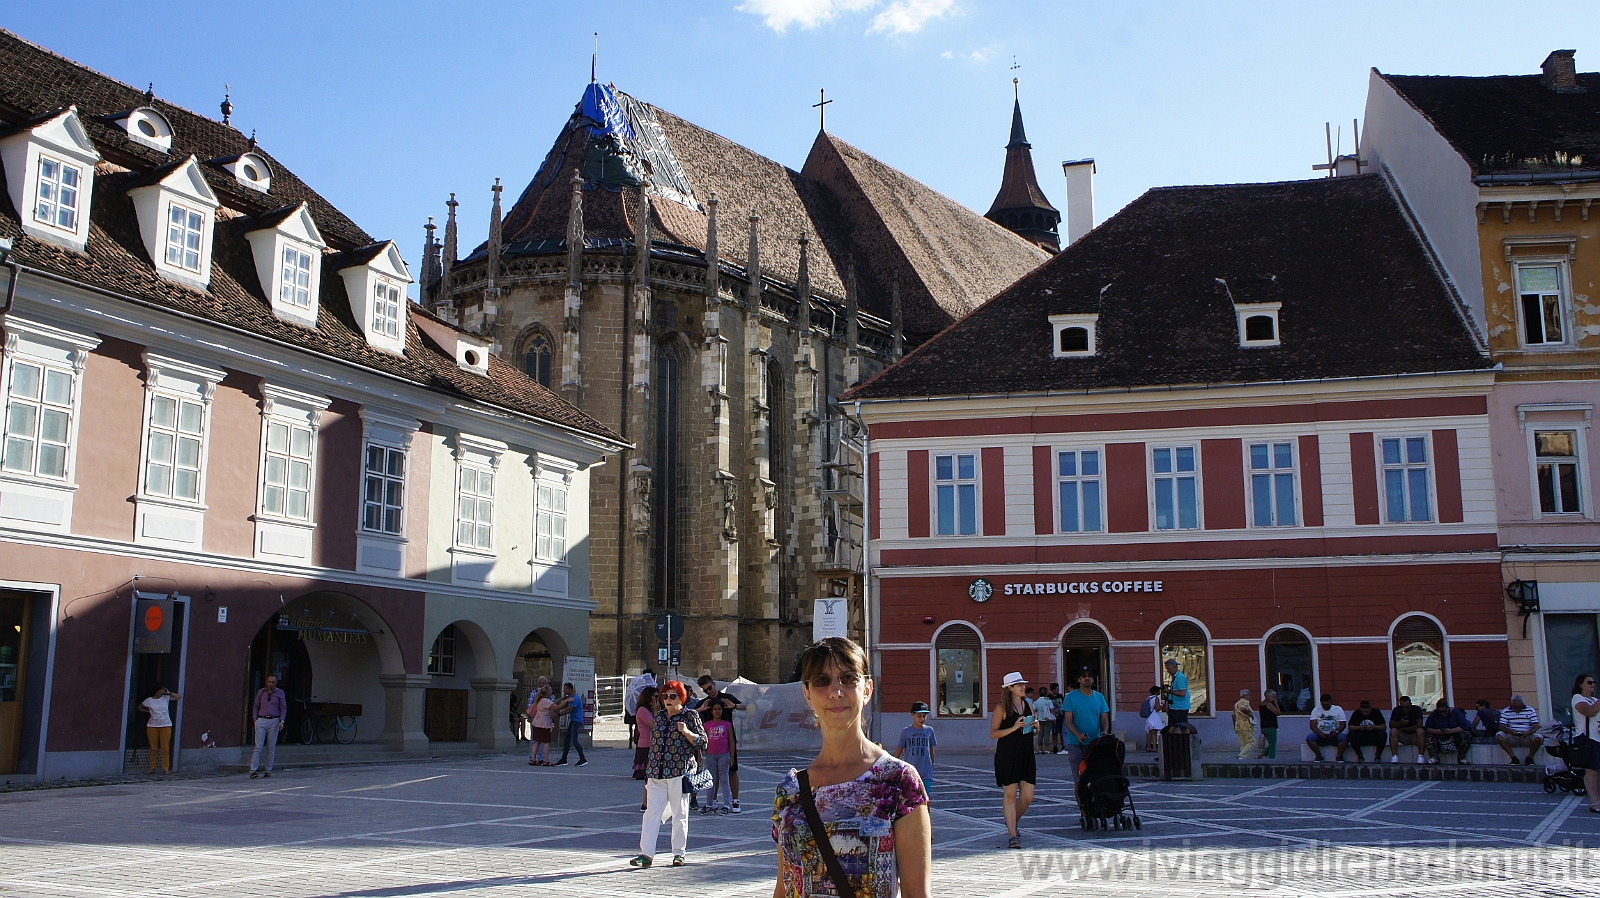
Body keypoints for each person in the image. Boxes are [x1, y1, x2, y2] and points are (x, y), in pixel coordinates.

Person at [771, 637, 930, 898]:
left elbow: (917, 894)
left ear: (867, 689)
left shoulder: (899, 781)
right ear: (807, 694)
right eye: (822, 681)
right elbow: (785, 886)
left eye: (848, 678)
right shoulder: (789, 792)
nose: (836, 691)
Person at [632, 680, 706, 868]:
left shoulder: (690, 715)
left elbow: (703, 742)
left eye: (672, 696)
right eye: (664, 696)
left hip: (679, 772)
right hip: (656, 773)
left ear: (681, 698)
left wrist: (687, 732)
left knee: (680, 814)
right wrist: (649, 770)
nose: (667, 700)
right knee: (651, 813)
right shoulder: (659, 717)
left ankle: (679, 853)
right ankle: (646, 854)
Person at [990, 671, 1036, 849]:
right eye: (1019, 685)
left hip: (1026, 754)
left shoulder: (1028, 705)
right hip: (1007, 756)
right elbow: (993, 734)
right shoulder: (1001, 708)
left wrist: (1035, 727)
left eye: (1023, 684)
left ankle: (1011, 822)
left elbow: (1030, 731)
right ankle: (1012, 835)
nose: (1023, 687)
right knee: (1010, 796)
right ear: (1010, 688)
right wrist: (1014, 727)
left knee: (1027, 797)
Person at [698, 675, 749, 814]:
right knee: (713, 774)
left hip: (727, 739)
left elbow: (744, 706)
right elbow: (690, 713)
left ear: (714, 684)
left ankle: (735, 800)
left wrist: (735, 706)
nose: (708, 692)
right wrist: (701, 710)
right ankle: (712, 801)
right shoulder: (705, 702)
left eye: (709, 688)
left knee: (732, 770)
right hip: (712, 743)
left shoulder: (727, 697)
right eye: (705, 690)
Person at [1061, 667, 1111, 785]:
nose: (1087, 678)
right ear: (1079, 679)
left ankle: (1095, 803)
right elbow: (1068, 721)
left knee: (1096, 778)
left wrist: (1104, 731)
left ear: (1093, 679)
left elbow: (1104, 718)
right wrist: (1078, 735)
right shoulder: (1070, 697)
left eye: (1089, 676)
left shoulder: (1099, 697)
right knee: (1079, 781)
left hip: (1095, 744)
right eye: (1083, 676)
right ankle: (1082, 804)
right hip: (1076, 745)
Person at [894, 702, 937, 795]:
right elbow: (900, 749)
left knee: (925, 796)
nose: (922, 719)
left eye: (924, 716)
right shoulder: (906, 731)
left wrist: (931, 765)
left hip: (926, 770)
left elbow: (931, 749)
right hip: (911, 769)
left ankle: (927, 810)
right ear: (912, 715)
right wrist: (894, 764)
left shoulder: (929, 730)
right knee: (912, 796)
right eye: (919, 716)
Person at [1571, 673, 1600, 813]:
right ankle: (1593, 802)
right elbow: (1589, 712)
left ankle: (1598, 800)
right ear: (1581, 684)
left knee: (1598, 771)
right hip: (1586, 738)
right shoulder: (1578, 698)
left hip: (1597, 737)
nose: (1593, 684)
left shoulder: (1594, 699)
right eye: (1589, 682)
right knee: (1591, 771)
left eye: (1594, 682)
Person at [137, 682, 180, 775]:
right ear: (158, 690)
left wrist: (169, 692)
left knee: (165, 748)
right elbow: (139, 707)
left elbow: (178, 697)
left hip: (165, 725)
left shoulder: (166, 698)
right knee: (153, 748)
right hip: (152, 725)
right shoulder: (149, 700)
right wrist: (148, 712)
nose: (164, 690)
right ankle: (152, 767)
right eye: (162, 689)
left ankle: (166, 768)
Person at [699, 701, 734, 815]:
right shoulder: (707, 725)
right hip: (710, 755)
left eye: (719, 709)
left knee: (724, 779)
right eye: (715, 709)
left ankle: (727, 804)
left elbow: (731, 741)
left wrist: (732, 756)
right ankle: (710, 803)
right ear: (712, 711)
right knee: (710, 780)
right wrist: (700, 754)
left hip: (724, 754)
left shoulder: (727, 724)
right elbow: (702, 740)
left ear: (722, 711)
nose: (717, 711)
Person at [249, 674, 287, 779]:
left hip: (274, 720)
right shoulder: (261, 692)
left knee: (271, 747)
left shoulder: (280, 693)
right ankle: (253, 770)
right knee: (258, 746)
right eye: (269, 682)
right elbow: (256, 705)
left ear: (276, 683)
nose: (271, 684)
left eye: (273, 682)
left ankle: (268, 770)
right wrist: (255, 719)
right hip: (261, 719)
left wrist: (281, 721)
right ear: (266, 682)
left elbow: (283, 708)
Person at [1495, 695, 1542, 765]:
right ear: (1512, 704)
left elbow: (1536, 726)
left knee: (1539, 737)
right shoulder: (1506, 711)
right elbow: (1501, 726)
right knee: (1499, 735)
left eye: (1520, 707)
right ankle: (1513, 758)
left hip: (1527, 736)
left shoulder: (1530, 710)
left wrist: (1527, 733)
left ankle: (1529, 757)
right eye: (1515, 707)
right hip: (1512, 736)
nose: (1517, 709)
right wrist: (1510, 731)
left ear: (1523, 705)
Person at [1423, 699, 1472, 764]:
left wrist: (1450, 731)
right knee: (1429, 736)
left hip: (1453, 736)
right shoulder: (1434, 714)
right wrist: (1437, 731)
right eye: (1440, 712)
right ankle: (1434, 757)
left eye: (1444, 711)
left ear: (1448, 708)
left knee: (1466, 735)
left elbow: (1465, 726)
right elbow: (1427, 728)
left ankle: (1461, 758)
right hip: (1439, 736)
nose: (1442, 713)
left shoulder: (1455, 713)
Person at [554, 682, 589, 767]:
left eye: (565, 689)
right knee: (567, 740)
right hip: (573, 720)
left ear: (570, 689)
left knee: (574, 740)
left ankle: (582, 758)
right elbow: (564, 706)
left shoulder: (575, 698)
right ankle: (564, 759)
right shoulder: (570, 698)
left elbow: (569, 709)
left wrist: (559, 714)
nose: (564, 690)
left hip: (576, 721)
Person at [1305, 694, 1348, 761]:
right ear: (1321, 702)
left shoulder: (1338, 709)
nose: (1326, 706)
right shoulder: (1316, 710)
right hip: (1320, 734)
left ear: (1331, 702)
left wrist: (1336, 732)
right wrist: (1319, 732)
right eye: (1324, 705)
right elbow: (1312, 725)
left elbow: (1343, 724)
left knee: (1344, 738)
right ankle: (1318, 756)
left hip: (1335, 733)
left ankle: (1339, 755)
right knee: (1309, 738)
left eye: (1328, 705)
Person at [1387, 695, 1426, 763]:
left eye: (1407, 707)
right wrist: (1401, 723)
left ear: (1410, 704)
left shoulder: (1416, 709)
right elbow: (1391, 725)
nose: (1405, 709)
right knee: (1393, 731)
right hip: (1403, 736)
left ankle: (1421, 756)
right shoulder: (1396, 710)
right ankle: (1394, 756)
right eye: (1402, 707)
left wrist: (1406, 729)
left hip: (1415, 736)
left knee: (1420, 731)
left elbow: (1419, 724)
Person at [632, 685, 658, 781]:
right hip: (646, 743)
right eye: (655, 696)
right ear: (648, 697)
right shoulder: (643, 710)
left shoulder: (650, 709)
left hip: (653, 743)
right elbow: (654, 725)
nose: (657, 698)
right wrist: (655, 711)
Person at [527, 685, 555, 766]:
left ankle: (532, 759)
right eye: (550, 690)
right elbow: (555, 706)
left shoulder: (540, 699)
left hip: (537, 722)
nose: (551, 691)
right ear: (547, 692)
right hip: (543, 723)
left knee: (537, 741)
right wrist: (565, 702)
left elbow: (553, 703)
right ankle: (545, 760)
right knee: (546, 742)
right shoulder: (545, 700)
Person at [1162, 658, 1191, 726]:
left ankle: (1186, 737)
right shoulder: (1175, 677)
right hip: (1174, 707)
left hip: (1180, 707)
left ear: (1174, 666)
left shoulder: (1180, 677)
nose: (1168, 671)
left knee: (1183, 727)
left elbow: (1182, 693)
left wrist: (1169, 691)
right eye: (1166, 669)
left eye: (1169, 668)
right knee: (1172, 727)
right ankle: (1172, 737)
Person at [1031, 686, 1056, 754]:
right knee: (1046, 734)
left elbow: (1033, 709)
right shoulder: (1048, 701)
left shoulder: (1037, 701)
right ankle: (1047, 748)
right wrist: (1054, 717)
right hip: (1047, 719)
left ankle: (1040, 748)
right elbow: (1052, 710)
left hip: (1040, 719)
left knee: (1040, 734)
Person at [1232, 689, 1257, 760]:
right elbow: (1243, 709)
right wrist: (1250, 715)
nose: (1250, 697)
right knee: (1251, 742)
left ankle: (1242, 759)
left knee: (1243, 743)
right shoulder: (1244, 702)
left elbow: (1233, 716)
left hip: (1238, 726)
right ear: (1245, 695)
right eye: (1249, 695)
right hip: (1246, 725)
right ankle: (1242, 756)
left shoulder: (1236, 704)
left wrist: (1234, 726)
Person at [1258, 690, 1282, 759]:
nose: (1274, 698)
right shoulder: (1269, 704)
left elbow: (1261, 716)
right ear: (1268, 696)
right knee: (1272, 745)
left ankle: (1261, 754)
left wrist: (1261, 727)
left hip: (1264, 726)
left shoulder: (1261, 704)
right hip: (1271, 726)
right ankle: (1271, 759)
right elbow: (1278, 713)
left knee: (1271, 743)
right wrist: (1276, 704)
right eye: (1273, 696)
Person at [1140, 686, 1163, 752]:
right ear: (1156, 692)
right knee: (1154, 733)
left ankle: (1148, 747)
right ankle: (1154, 748)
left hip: (1148, 716)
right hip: (1154, 717)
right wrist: (1162, 705)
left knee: (1149, 733)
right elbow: (1157, 709)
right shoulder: (1156, 698)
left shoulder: (1148, 698)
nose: (1160, 692)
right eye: (1159, 691)